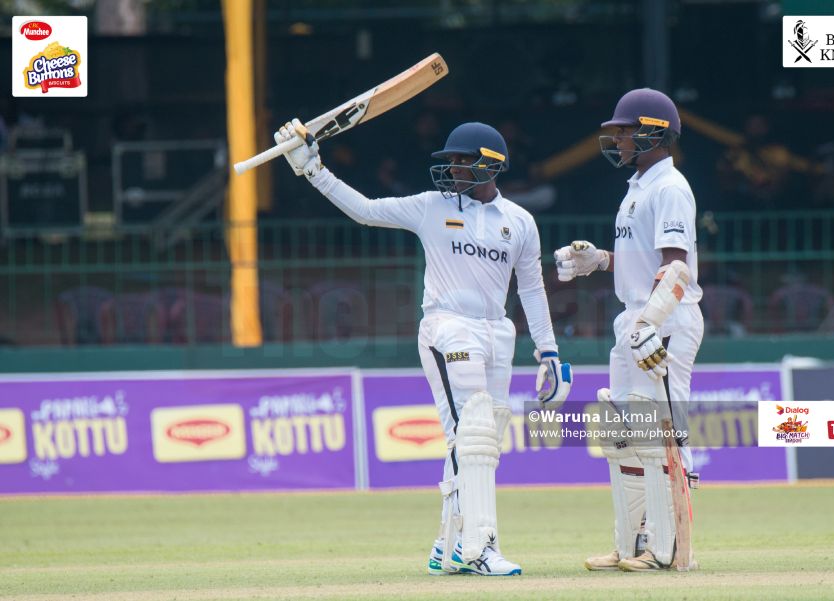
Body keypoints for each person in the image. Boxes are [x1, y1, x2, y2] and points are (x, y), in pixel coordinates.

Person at [274, 120, 572, 576]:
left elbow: (532, 288)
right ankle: (478, 547)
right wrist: (313, 169)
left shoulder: (520, 222)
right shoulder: (432, 206)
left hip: (497, 331)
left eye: (462, 161)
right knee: (471, 433)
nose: (452, 169)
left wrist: (548, 352)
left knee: (483, 440)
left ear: (491, 164)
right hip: (447, 325)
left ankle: (448, 545)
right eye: (449, 161)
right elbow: (365, 211)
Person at [553, 88, 703, 571]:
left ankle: (671, 549)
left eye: (624, 131)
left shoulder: (670, 187)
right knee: (622, 432)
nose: (616, 140)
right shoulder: (638, 187)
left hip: (665, 319)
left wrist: (650, 323)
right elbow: (643, 259)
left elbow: (675, 267)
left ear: (654, 133)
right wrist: (599, 260)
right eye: (616, 132)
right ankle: (633, 544)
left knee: (662, 432)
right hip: (635, 317)